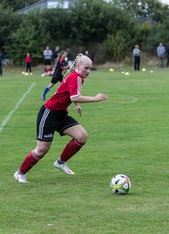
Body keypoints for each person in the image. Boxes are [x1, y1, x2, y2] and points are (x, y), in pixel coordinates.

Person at [14, 54, 108, 183]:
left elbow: (69, 94)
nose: (88, 71)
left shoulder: (78, 77)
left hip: (61, 114)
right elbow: (74, 96)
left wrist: (76, 105)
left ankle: (60, 162)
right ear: (78, 66)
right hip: (49, 114)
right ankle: (20, 173)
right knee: (41, 150)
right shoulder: (75, 77)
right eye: (86, 68)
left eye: (90, 69)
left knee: (81, 136)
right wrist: (96, 98)